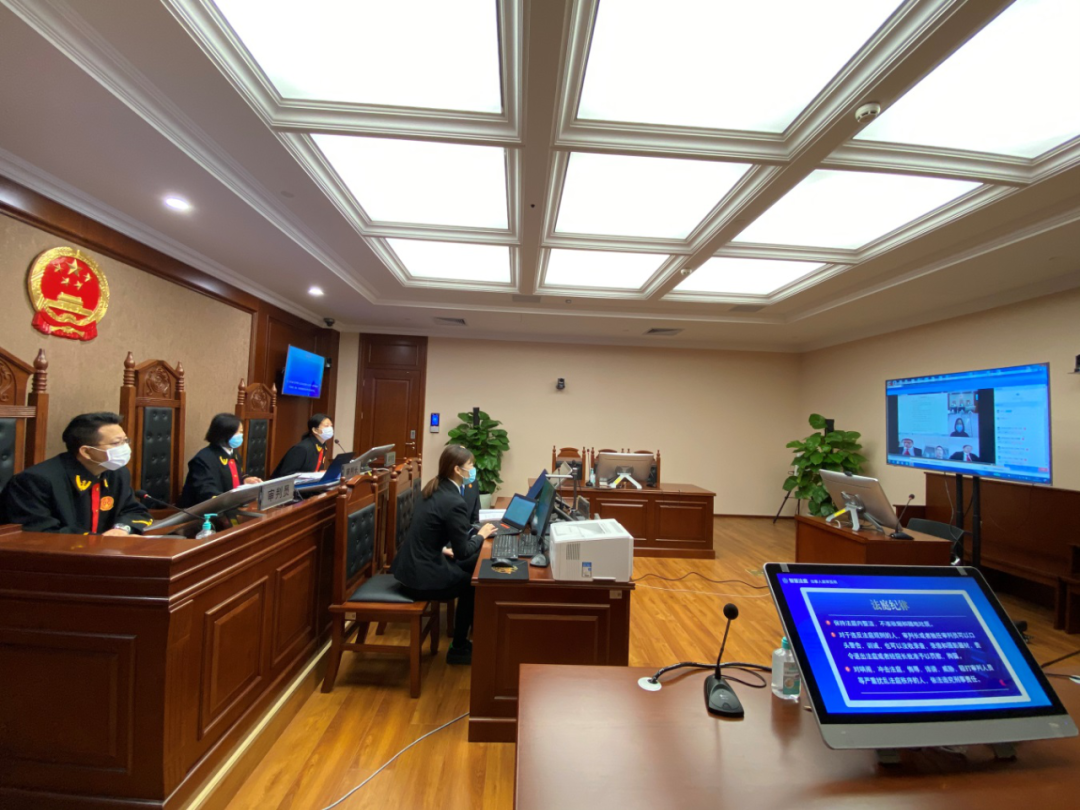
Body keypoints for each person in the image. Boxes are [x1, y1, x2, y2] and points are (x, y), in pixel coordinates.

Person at [391, 445, 497, 665]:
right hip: (420, 577)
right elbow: (463, 552)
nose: (473, 470)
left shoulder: (434, 487)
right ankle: (458, 647)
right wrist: (482, 534)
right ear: (457, 470)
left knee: (473, 565)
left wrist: (441, 548)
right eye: (470, 466)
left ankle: (468, 638)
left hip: (409, 566)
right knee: (472, 582)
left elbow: (426, 531)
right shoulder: (454, 501)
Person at [0, 412, 153, 535]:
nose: (125, 448)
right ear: (86, 451)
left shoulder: (117, 473)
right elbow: (41, 532)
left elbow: (135, 511)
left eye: (125, 441)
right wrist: (101, 542)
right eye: (116, 443)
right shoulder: (34, 481)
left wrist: (121, 529)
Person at [178, 413, 262, 508]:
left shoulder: (233, 453)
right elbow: (206, 491)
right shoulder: (203, 459)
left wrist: (245, 480)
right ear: (225, 434)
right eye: (238, 432)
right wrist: (231, 501)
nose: (241, 436)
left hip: (232, 507)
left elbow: (233, 476)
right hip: (206, 511)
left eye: (241, 432)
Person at [271, 413, 334, 478]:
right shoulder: (301, 448)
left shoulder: (322, 446)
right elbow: (286, 474)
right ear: (315, 430)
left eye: (331, 426)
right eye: (326, 426)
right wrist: (309, 476)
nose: (330, 428)